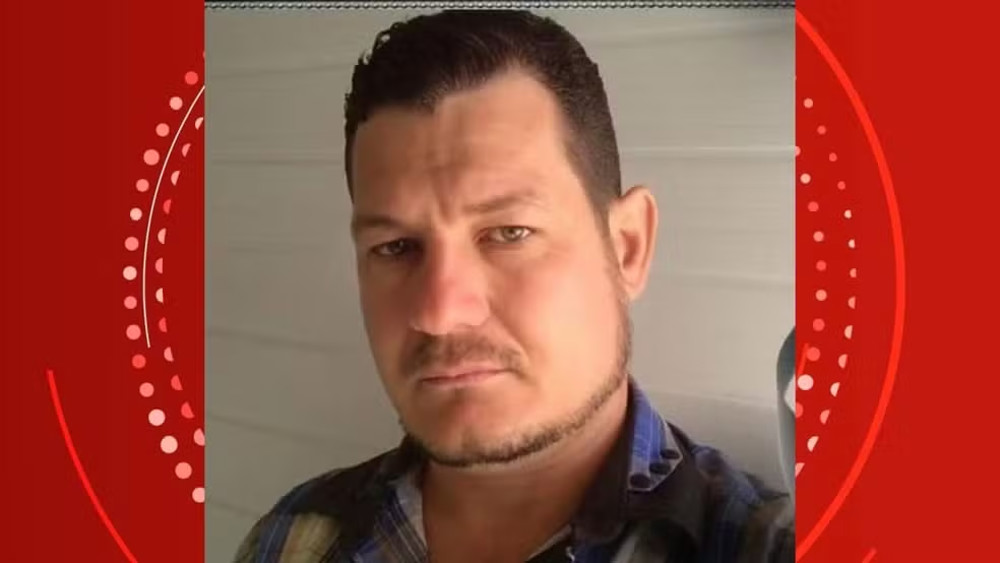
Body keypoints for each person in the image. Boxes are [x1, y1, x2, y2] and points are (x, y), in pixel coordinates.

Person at [234, 10, 793, 563]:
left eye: (508, 233)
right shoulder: (289, 540)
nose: (440, 312)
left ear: (627, 247)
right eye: (396, 247)